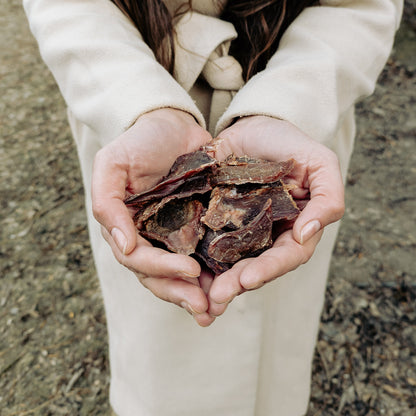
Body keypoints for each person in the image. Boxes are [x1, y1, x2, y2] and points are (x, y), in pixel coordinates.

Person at [23, 0, 402, 415]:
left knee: (278, 348)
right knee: (161, 353)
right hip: (133, 119)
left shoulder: (291, 154)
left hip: (299, 119)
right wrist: (139, 101)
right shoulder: (139, 149)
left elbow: (362, 7)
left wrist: (290, 101)